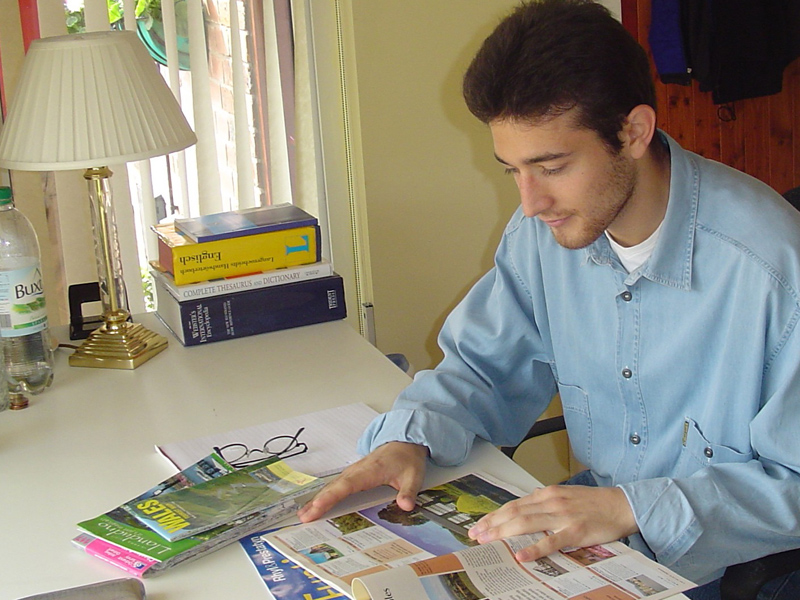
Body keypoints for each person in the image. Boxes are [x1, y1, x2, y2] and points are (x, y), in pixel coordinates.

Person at [298, 1, 800, 598]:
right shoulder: (543, 234)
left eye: (552, 167)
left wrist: (632, 508)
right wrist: (408, 437)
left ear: (634, 132)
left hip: (716, 566)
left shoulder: (771, 266)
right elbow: (484, 368)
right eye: (512, 170)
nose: (531, 202)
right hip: (593, 542)